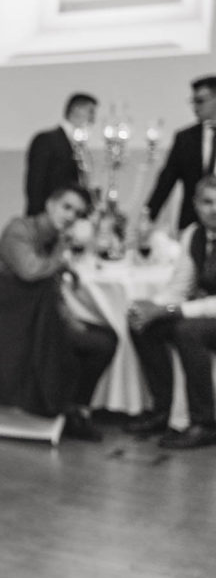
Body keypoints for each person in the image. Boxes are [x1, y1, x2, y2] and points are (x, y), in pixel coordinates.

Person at [0, 184, 117, 440]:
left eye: (78, 213)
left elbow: (54, 293)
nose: (70, 216)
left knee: (106, 337)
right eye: (66, 207)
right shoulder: (19, 230)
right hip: (12, 320)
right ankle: (69, 411)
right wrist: (62, 256)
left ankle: (75, 409)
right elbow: (31, 271)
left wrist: (70, 321)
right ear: (50, 205)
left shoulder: (56, 239)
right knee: (98, 343)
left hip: (41, 320)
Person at [125, 175, 216, 449]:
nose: (214, 209)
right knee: (143, 324)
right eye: (208, 202)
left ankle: (204, 422)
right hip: (204, 310)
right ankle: (162, 408)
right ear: (196, 204)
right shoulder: (193, 235)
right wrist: (153, 307)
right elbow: (181, 284)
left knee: (188, 331)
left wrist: (172, 309)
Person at [141, 75, 216, 234]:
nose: (195, 107)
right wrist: (148, 217)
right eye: (193, 101)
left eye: (201, 101)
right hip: (192, 225)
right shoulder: (185, 138)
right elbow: (166, 180)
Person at [25, 92, 97, 216]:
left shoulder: (81, 147)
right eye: (90, 112)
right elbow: (35, 185)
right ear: (76, 110)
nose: (93, 119)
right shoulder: (47, 140)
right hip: (47, 219)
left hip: (71, 220)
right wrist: (42, 220)